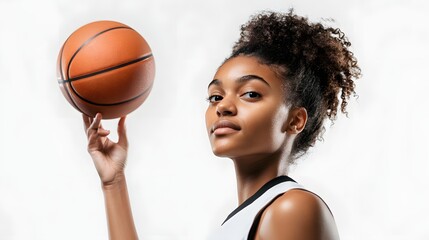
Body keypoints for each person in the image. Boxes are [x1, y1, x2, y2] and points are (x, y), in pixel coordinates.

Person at [81, 9, 360, 240]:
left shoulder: (291, 209)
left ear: (295, 120)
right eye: (215, 96)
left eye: (251, 93)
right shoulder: (242, 222)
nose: (223, 107)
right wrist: (114, 181)